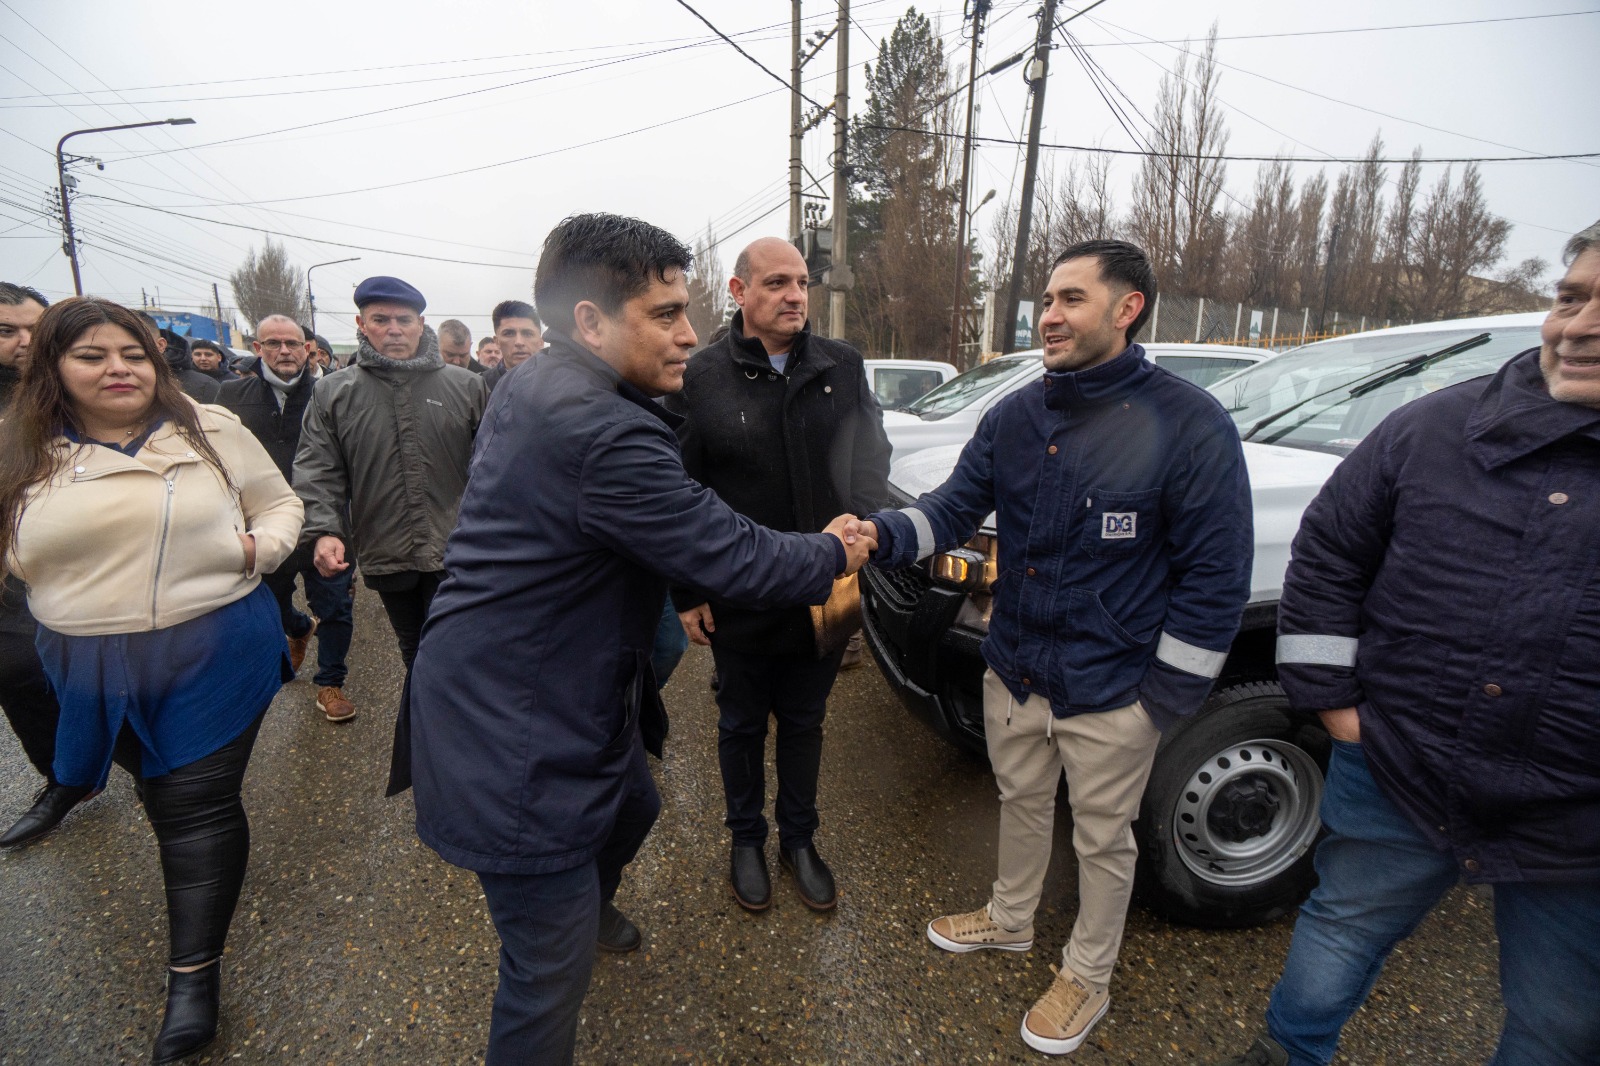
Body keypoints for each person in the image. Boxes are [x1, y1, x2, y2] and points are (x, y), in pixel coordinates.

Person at [405, 214, 876, 1065]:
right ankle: (564, 931)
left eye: (687, 309)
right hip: (515, 727)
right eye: (664, 314)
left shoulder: (543, 382)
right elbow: (733, 553)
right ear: (589, 322)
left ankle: (585, 909)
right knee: (542, 977)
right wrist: (834, 550)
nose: (689, 333)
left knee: (638, 803)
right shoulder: (602, 431)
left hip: (557, 690)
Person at [1210, 226, 1600, 1066]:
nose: (1578, 326)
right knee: (1340, 933)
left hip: (1578, 819)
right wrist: (1332, 701)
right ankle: (1286, 1051)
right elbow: (1330, 553)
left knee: (1562, 1020)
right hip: (1399, 767)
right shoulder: (1427, 428)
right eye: (1571, 297)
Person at [860, 240, 1253, 1056]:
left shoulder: (1188, 424)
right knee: (1022, 802)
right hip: (1016, 669)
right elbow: (952, 508)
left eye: (1071, 298)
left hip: (1113, 692)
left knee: (1104, 837)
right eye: (1047, 298)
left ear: (1127, 307)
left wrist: (1162, 703)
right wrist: (877, 535)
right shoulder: (1015, 415)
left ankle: (1088, 976)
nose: (1049, 315)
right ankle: (1009, 921)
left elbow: (1216, 578)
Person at [0, 297, 303, 1063]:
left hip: (215, 648)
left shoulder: (211, 429)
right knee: (151, 782)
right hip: (88, 661)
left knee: (191, 805)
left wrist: (257, 552)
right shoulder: (16, 448)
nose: (118, 369)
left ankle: (193, 976)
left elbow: (279, 502)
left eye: (133, 353)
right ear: (53, 368)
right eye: (92, 355)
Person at [664, 236, 891, 914]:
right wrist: (687, 591)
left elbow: (869, 463)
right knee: (739, 722)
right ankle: (744, 839)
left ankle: (799, 839)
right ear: (739, 293)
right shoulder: (701, 376)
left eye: (801, 282)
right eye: (776, 283)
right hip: (739, 595)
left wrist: (860, 532)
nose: (795, 295)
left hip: (828, 590)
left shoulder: (841, 367)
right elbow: (681, 492)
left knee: (805, 719)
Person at [293, 276, 487, 674]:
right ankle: (423, 731)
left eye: (404, 319)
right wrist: (325, 530)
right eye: (381, 319)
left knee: (459, 650)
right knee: (414, 650)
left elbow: (493, 467)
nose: (394, 329)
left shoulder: (467, 386)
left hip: (458, 549)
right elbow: (318, 467)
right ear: (361, 324)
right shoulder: (334, 392)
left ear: (421, 323)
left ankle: (448, 730)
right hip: (386, 549)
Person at [0, 282, 107, 849]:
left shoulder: (80, 395)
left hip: (73, 565)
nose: (23, 343)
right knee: (16, 673)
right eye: (5, 330)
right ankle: (65, 779)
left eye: (33, 330)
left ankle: (135, 765)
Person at [219, 316, 359, 723]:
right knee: (271, 601)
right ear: (258, 348)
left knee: (334, 604)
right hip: (261, 523)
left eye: (293, 344)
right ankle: (297, 627)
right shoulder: (230, 395)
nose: (285, 351)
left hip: (324, 518)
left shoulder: (330, 393)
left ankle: (330, 683)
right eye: (274, 343)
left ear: (308, 350)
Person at [139, 313, 219, 403]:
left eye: (133, 354)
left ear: (161, 345)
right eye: (198, 354)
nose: (203, 358)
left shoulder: (205, 386)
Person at [481, 299, 542, 391]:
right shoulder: (481, 386)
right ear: (497, 342)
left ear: (540, 342)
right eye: (509, 333)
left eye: (528, 334)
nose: (519, 342)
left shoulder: (558, 382)